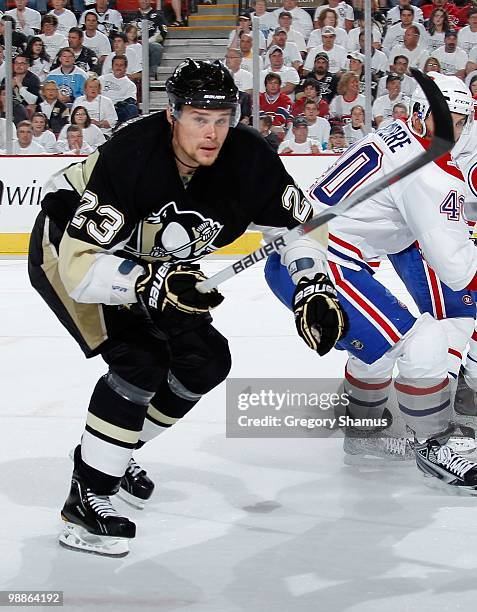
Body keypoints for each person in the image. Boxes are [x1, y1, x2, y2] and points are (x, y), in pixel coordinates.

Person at [27, 58, 345, 556]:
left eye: (223, 119)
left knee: (205, 361)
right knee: (140, 362)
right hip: (73, 251)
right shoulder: (131, 157)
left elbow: (299, 227)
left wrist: (311, 284)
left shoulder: (249, 159)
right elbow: (81, 269)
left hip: (156, 266)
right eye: (199, 118)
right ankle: (88, 497)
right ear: (172, 114)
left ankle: (115, 447)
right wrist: (149, 284)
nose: (213, 133)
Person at [265, 72, 477, 489]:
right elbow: (456, 267)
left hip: (304, 254)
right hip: (317, 266)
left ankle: (364, 430)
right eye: (442, 120)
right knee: (422, 343)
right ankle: (434, 444)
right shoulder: (426, 173)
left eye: (458, 121)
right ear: (418, 115)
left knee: (377, 352)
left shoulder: (398, 134)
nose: (451, 131)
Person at [125, 0, 166, 79]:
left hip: (149, 44)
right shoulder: (132, 16)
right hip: (133, 43)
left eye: (146, 0)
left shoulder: (158, 16)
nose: (144, 2)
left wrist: (146, 42)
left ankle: (151, 74)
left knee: (157, 47)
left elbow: (162, 33)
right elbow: (126, 31)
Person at [98, 55, 139, 124]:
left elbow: (131, 101)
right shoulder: (102, 79)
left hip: (118, 110)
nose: (118, 67)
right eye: (116, 65)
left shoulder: (130, 85)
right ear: (112, 66)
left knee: (132, 108)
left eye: (121, 65)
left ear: (125, 67)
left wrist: (115, 106)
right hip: (101, 107)